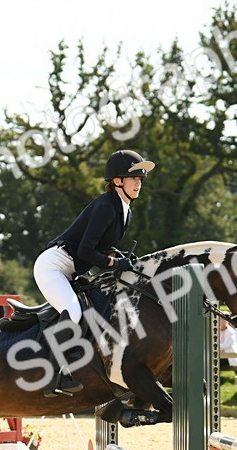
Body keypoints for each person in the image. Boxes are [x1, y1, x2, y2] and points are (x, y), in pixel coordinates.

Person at [33, 149, 153, 396]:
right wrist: (114, 264)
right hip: (53, 266)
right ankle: (54, 375)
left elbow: (102, 247)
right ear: (117, 181)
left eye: (140, 179)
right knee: (73, 311)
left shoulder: (125, 210)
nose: (138, 183)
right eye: (133, 178)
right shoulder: (106, 206)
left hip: (71, 270)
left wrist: (120, 257)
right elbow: (86, 251)